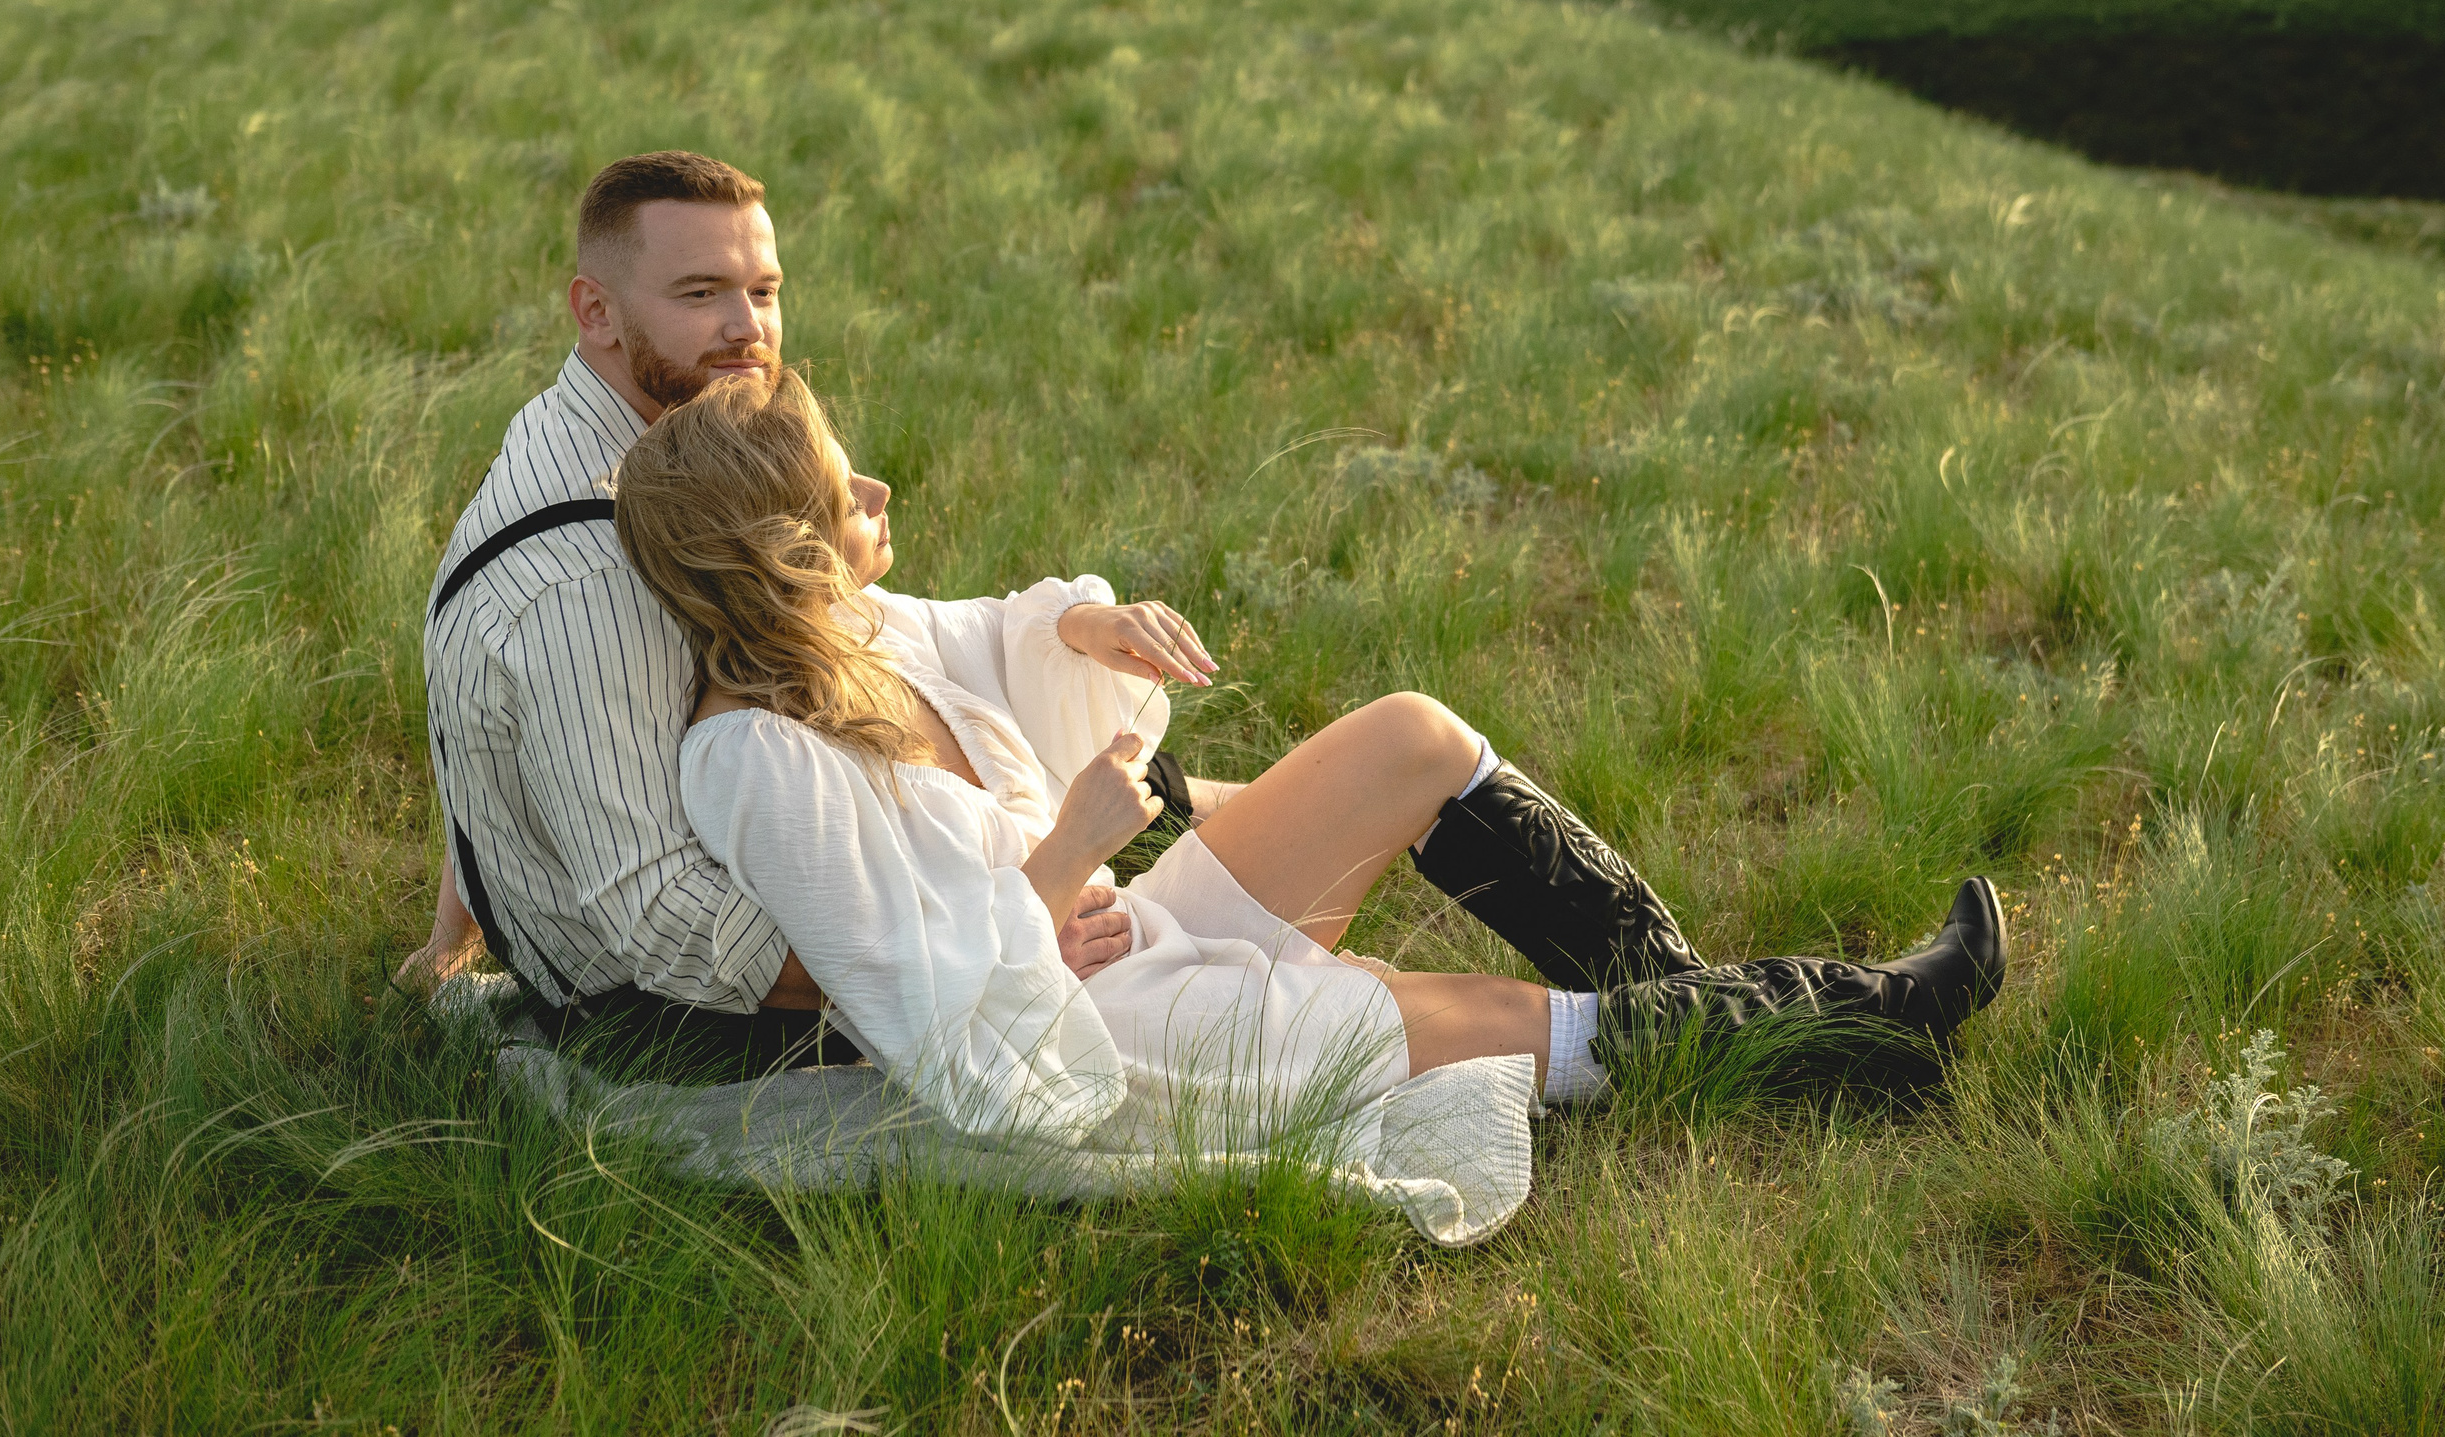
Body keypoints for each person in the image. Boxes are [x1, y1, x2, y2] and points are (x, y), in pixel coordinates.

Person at [612, 366, 2012, 1138]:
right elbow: (915, 1011)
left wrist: (1093, 629)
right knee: (1511, 1026)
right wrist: (1056, 867)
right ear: (783, 552)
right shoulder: (753, 762)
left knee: (1411, 736)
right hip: (1112, 1039)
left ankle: (1707, 1018)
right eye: (840, 492)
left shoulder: (865, 628)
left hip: (1131, 940)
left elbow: (993, 630)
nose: (879, 491)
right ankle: (1870, 1019)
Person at [406, 150, 1216, 1075]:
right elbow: (662, 922)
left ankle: (1190, 816)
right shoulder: (592, 575)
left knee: (976, 713)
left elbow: (512, 740)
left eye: (764, 289)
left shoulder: (639, 435)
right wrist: (989, 961)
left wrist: (447, 938)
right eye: (702, 292)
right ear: (595, 311)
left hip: (820, 848)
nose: (747, 329)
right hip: (679, 1015)